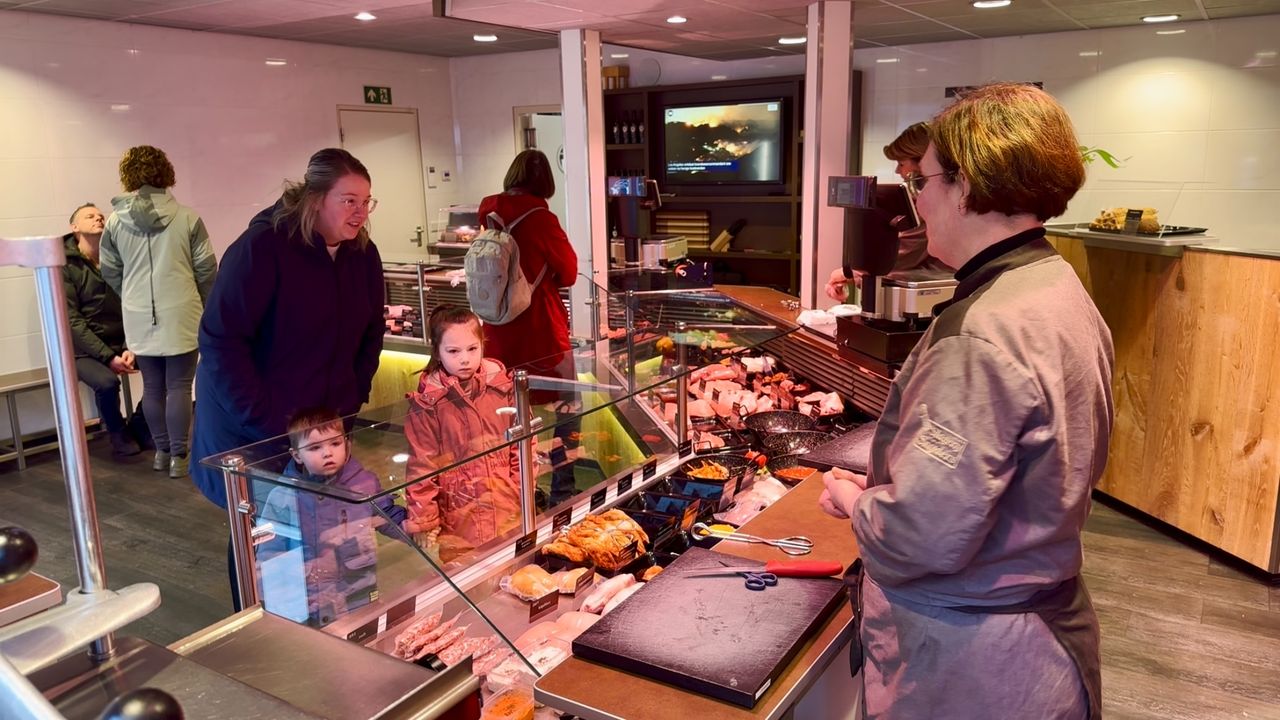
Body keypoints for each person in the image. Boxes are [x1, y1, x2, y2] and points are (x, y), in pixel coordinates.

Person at [819, 83, 1114, 719]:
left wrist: (854, 500)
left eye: (921, 180)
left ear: (968, 185)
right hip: (1037, 636)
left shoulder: (983, 331)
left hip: (976, 663)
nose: (917, 201)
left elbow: (919, 537)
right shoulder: (1053, 282)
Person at [191, 148, 385, 609]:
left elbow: (369, 336)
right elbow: (220, 341)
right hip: (257, 428)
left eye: (366, 201)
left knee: (327, 525)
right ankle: (258, 627)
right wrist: (268, 422)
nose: (359, 212)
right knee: (264, 532)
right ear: (316, 198)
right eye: (348, 200)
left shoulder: (363, 254)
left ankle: (328, 621)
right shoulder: (263, 248)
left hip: (323, 424)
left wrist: (350, 403)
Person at [100, 145, 217, 478]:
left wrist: (131, 294)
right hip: (182, 309)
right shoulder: (188, 217)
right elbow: (206, 269)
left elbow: (109, 269)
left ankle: (161, 453)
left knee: (152, 388)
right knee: (180, 386)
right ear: (166, 174)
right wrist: (209, 307)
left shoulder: (114, 222)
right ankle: (180, 456)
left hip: (137, 312)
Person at [477, 150, 579, 505]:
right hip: (541, 331)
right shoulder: (541, 218)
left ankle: (518, 489)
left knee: (511, 413)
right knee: (567, 409)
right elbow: (568, 272)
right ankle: (561, 491)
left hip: (495, 332)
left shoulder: (488, 210)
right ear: (546, 182)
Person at [257, 407, 407, 627]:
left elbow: (387, 514)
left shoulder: (363, 484)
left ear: (347, 444)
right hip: (310, 602)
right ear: (297, 455)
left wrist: (414, 528)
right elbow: (269, 554)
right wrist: (274, 601)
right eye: (315, 447)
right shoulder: (284, 496)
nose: (327, 453)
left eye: (335, 444)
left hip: (358, 594)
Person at [403, 306, 522, 552]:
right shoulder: (428, 403)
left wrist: (520, 487)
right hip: (458, 513)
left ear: (483, 345)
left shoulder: (502, 385)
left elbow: (522, 441)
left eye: (472, 349)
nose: (465, 359)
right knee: (466, 578)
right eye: (453, 351)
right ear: (437, 352)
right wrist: (424, 519)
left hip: (507, 505)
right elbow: (421, 465)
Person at [824, 122, 952, 303]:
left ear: (925, 163)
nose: (897, 170)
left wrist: (852, 272)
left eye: (901, 163)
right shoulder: (929, 201)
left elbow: (903, 257)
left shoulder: (932, 205)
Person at [62, 203, 141, 458]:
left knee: (162, 367)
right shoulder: (64, 265)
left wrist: (131, 345)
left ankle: (140, 426)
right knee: (107, 383)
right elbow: (72, 321)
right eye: (90, 216)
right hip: (82, 350)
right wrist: (108, 357)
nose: (98, 218)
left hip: (121, 342)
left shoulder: (116, 258)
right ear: (74, 227)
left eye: (101, 216)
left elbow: (132, 303)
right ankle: (117, 432)